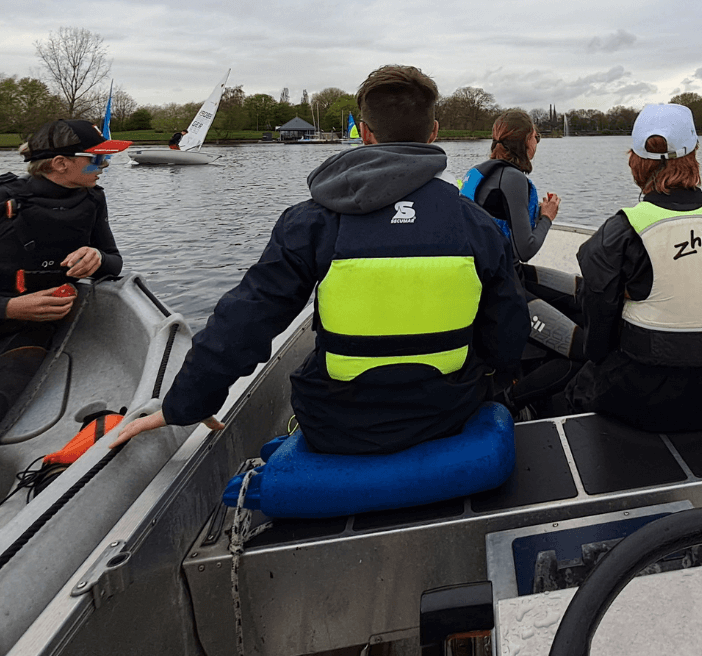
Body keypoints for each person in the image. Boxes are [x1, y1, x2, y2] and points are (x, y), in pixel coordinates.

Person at [112, 65, 530, 456]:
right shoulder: (477, 225)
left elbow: (247, 317)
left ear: (365, 133)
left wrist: (186, 403)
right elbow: (508, 331)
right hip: (449, 415)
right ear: (434, 131)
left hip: (337, 425)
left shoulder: (312, 221)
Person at [559, 102, 702, 432]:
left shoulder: (620, 232)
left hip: (640, 400)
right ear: (694, 154)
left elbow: (598, 340)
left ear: (635, 161)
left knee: (575, 386)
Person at [0, 120, 131, 416]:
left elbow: (113, 262)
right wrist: (9, 307)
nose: (105, 165)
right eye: (96, 158)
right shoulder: (5, 199)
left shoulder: (93, 198)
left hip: (31, 331)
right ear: (60, 163)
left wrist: (97, 256)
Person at [460, 110, 560, 265]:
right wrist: (547, 217)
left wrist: (537, 212)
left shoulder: (479, 172)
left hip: (474, 268)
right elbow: (525, 250)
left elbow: (495, 212)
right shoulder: (513, 179)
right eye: (536, 137)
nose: (536, 142)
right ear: (527, 140)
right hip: (497, 275)